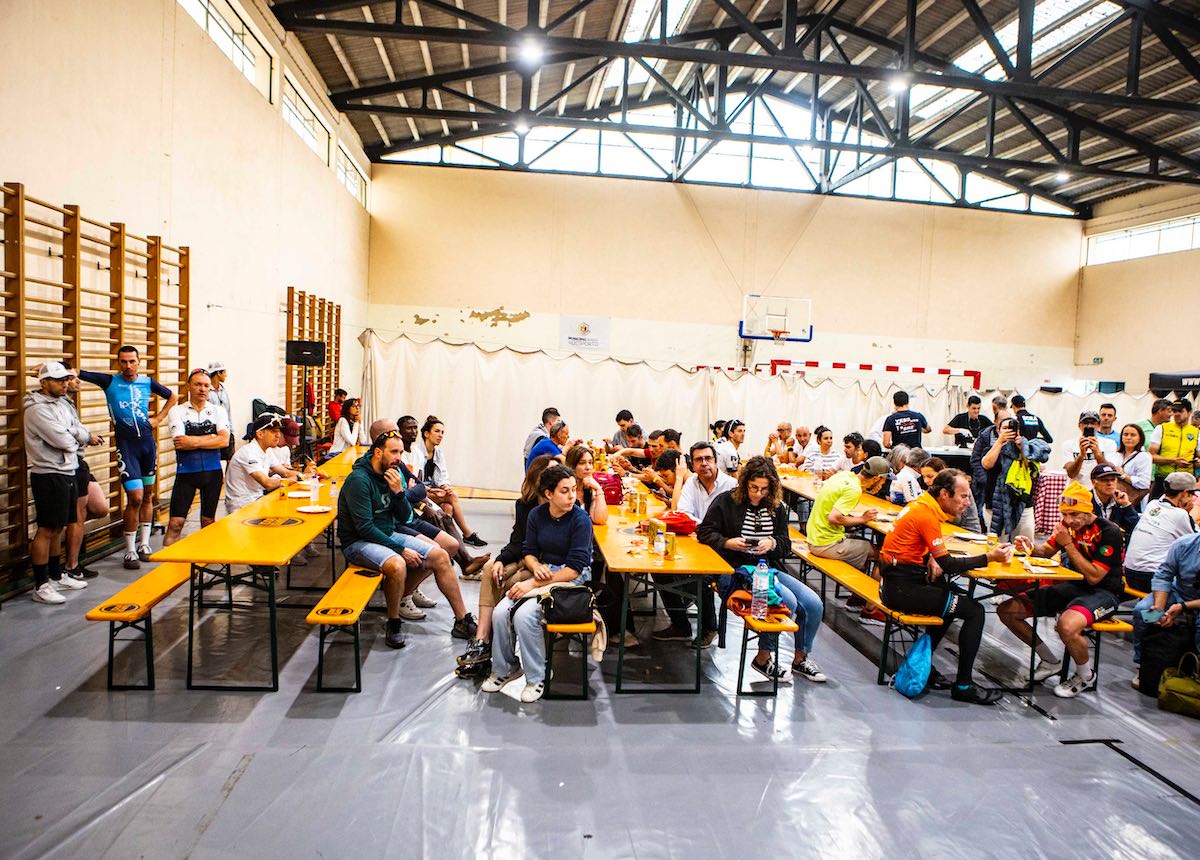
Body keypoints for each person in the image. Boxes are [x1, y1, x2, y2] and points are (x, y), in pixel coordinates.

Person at [879, 470, 1011, 704]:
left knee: (952, 599)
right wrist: (990, 557)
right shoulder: (926, 515)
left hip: (895, 583)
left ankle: (924, 664)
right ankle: (964, 685)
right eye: (963, 496)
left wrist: (931, 555)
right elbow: (948, 564)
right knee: (974, 611)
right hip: (902, 590)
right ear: (944, 494)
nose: (967, 503)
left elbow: (931, 553)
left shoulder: (921, 506)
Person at [698, 456, 829, 684]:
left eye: (764, 489)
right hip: (736, 571)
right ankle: (763, 658)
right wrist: (728, 543)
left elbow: (785, 543)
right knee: (786, 601)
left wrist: (772, 543)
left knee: (814, 604)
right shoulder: (726, 501)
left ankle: (800, 659)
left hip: (767, 568)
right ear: (745, 483)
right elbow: (704, 532)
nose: (758, 494)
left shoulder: (776, 508)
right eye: (753, 488)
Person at [999, 481, 1126, 698]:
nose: (1069, 520)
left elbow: (1095, 577)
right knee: (1008, 610)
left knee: (1066, 626)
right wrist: (1028, 546)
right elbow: (1044, 552)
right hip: (1073, 585)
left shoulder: (1109, 532)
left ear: (1088, 511)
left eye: (1074, 514)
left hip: (1105, 593)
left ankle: (1085, 675)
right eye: (1065, 514)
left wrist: (1068, 544)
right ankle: (1049, 661)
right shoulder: (1067, 526)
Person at [482, 464, 594, 703]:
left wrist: (532, 583)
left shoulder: (581, 520)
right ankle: (505, 668)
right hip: (543, 573)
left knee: (524, 616)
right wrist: (534, 567)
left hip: (570, 579)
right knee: (500, 612)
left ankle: (537, 677)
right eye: (564, 491)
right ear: (548, 494)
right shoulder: (536, 515)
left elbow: (574, 568)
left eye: (573, 489)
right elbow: (529, 552)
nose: (572, 496)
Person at [339, 429, 454, 650]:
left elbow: (403, 517)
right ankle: (393, 622)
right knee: (397, 564)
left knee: (440, 554)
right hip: (357, 542)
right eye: (394, 452)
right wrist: (400, 549)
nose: (399, 458)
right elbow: (364, 528)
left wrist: (399, 492)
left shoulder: (392, 473)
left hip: (387, 533)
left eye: (400, 452)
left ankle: (461, 619)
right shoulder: (359, 480)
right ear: (378, 452)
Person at [78, 345, 178, 570]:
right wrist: (49, 367)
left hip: (147, 446)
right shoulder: (109, 382)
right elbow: (79, 372)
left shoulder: (147, 382)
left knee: (148, 495)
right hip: (127, 447)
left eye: (132, 361)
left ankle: (144, 544)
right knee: (135, 497)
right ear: (118, 363)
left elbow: (172, 396)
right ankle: (130, 549)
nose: (128, 366)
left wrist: (159, 418)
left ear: (139, 362)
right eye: (123, 361)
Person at [457, 456, 557, 677]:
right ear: (538, 478)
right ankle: (482, 641)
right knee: (490, 569)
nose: (556, 475)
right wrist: (501, 560)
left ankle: (495, 652)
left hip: (541, 563)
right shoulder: (525, 504)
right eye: (551, 472)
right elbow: (517, 541)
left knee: (507, 582)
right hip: (524, 556)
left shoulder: (561, 507)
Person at [24, 362, 102, 604]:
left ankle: (56, 576)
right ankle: (41, 585)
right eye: (58, 380)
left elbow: (76, 431)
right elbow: (65, 441)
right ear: (43, 382)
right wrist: (76, 435)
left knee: (59, 527)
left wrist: (74, 433)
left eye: (66, 379)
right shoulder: (37, 410)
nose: (64, 384)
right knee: (47, 529)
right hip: (49, 474)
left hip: (68, 471)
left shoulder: (63, 404)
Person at [651, 441, 736, 647]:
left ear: (715, 461)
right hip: (697, 542)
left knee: (701, 576)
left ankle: (709, 627)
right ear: (693, 464)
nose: (704, 463)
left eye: (708, 458)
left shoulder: (731, 486)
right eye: (699, 460)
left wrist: (703, 529)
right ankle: (680, 624)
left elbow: (733, 526)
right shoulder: (691, 484)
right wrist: (705, 528)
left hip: (724, 548)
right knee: (660, 569)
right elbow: (683, 514)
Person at [163, 369, 230, 547]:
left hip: (213, 474)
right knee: (175, 524)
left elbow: (224, 441)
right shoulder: (177, 411)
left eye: (206, 385)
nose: (202, 389)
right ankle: (167, 562)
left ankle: (204, 561)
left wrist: (192, 441)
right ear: (188, 387)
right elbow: (180, 442)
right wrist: (211, 438)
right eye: (197, 384)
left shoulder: (218, 411)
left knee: (208, 523)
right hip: (186, 474)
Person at [1130, 531, 1200, 682]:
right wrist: (1159, 610)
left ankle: (1196, 673)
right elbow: (1164, 575)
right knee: (1142, 612)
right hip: (1179, 592)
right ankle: (1143, 664)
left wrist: (1182, 607)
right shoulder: (1183, 544)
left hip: (1191, 603)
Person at [411, 416, 487, 547]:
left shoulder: (438, 453)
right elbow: (414, 480)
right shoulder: (416, 452)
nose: (440, 435)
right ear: (426, 434)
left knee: (448, 507)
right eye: (437, 431)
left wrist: (445, 486)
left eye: (442, 432)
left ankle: (447, 546)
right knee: (452, 497)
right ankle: (467, 534)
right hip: (421, 494)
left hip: (433, 492)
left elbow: (443, 475)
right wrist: (433, 490)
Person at [62, 372, 108, 580]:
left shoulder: (68, 402)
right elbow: (65, 433)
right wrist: (87, 437)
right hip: (69, 464)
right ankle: (71, 565)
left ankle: (71, 535)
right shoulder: (55, 405)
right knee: (77, 514)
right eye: (71, 378)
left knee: (100, 508)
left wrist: (86, 438)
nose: (77, 381)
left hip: (80, 463)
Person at [806, 456, 888, 572]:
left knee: (863, 543)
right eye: (883, 482)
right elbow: (833, 518)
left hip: (814, 537)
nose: (882, 485)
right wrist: (862, 519)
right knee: (883, 555)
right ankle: (865, 583)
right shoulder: (854, 489)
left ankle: (859, 576)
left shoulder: (844, 476)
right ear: (876, 478)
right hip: (825, 544)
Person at [1124, 473, 1197, 595]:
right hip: (1153, 579)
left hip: (1130, 573)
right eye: (1192, 495)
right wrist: (1187, 513)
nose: (1192, 500)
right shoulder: (1180, 515)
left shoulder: (1152, 504)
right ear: (1184, 493)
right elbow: (1195, 543)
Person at [977, 416, 1047, 541]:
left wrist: (1022, 448)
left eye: (1013, 428)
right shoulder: (993, 448)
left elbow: (1032, 470)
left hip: (1022, 502)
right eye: (1005, 428)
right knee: (998, 544)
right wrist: (1000, 442)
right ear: (998, 430)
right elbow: (986, 464)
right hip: (996, 504)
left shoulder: (1028, 448)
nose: (1008, 431)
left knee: (1025, 542)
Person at [224, 414, 293, 514]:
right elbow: (268, 484)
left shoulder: (267, 450)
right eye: (273, 431)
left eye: (278, 431)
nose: (278, 435)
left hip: (256, 498)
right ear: (260, 434)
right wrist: (296, 478)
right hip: (242, 505)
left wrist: (307, 475)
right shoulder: (248, 453)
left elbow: (285, 473)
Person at [1148, 399, 1199, 498]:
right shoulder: (1162, 428)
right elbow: (1151, 456)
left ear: (1189, 412)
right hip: (1164, 479)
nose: (1176, 414)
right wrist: (1173, 461)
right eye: (1174, 411)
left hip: (1186, 480)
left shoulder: (1196, 432)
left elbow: (1198, 457)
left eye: (1180, 411)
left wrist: (1196, 462)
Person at [920, 457, 981, 532]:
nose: (926, 481)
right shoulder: (923, 500)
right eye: (923, 477)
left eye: (930, 476)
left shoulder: (961, 489)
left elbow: (972, 524)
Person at [1065, 411, 1118, 491]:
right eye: (1085, 423)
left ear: (1098, 425)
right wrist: (1081, 455)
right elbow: (1071, 474)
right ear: (1079, 425)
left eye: (1093, 423)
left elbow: (1109, 471)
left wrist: (1097, 453)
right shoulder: (1069, 444)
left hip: (1100, 491)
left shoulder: (1109, 443)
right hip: (1076, 491)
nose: (1089, 426)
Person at [1089, 464, 1139, 539]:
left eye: (1113, 480)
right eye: (1105, 480)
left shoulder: (1120, 501)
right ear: (1093, 482)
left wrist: (1126, 505)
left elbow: (1136, 527)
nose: (1110, 483)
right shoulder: (1085, 500)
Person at [564, 445, 609, 525]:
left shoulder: (589, 488)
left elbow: (600, 520)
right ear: (572, 466)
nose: (588, 467)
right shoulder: (565, 491)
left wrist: (599, 489)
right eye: (582, 463)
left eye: (590, 463)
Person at [1111, 423, 1153, 509]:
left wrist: (1124, 476)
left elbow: (1144, 483)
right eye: (1125, 434)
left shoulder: (1144, 456)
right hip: (1115, 498)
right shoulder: (1116, 455)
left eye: (1133, 435)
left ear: (1140, 438)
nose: (1128, 437)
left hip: (1134, 501)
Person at [206, 361, 234, 462]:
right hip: (213, 433)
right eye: (224, 372)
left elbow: (228, 412)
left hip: (227, 430)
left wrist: (231, 430)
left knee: (230, 461)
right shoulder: (206, 391)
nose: (226, 375)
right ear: (218, 373)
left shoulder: (223, 391)